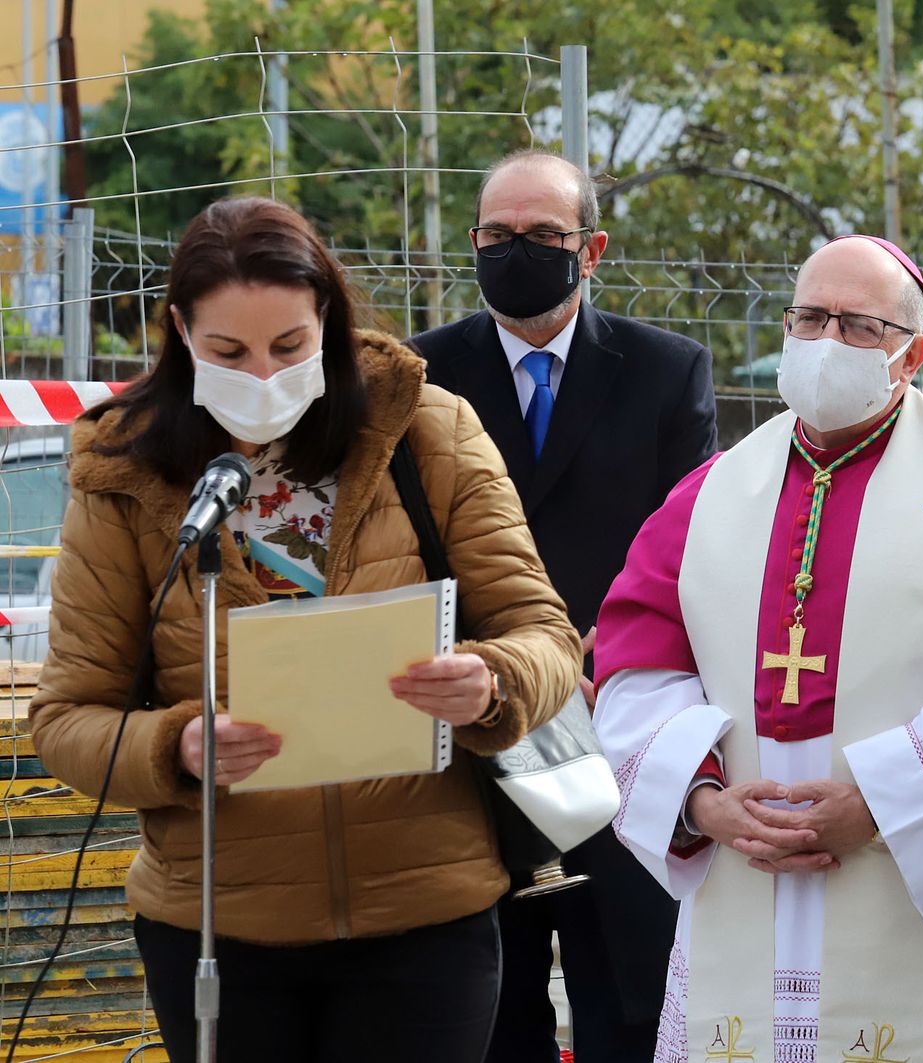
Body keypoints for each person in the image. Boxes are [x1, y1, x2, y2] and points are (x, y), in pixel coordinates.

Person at [29, 196, 584, 1063]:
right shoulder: (124, 475)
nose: (262, 375)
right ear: (179, 332)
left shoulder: (429, 432)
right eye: (227, 351)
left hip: (425, 921)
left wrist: (491, 681)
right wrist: (174, 745)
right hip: (219, 927)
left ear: (326, 314)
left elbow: (546, 634)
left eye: (289, 346)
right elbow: (68, 719)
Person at [592, 234, 923, 1061]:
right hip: (741, 874)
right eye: (809, 317)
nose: (827, 342)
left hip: (918, 888)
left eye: (859, 326)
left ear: (912, 353)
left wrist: (885, 805)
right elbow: (636, 661)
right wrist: (702, 798)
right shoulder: (709, 492)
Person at [408, 149, 717, 1062]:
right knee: (491, 1011)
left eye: (543, 235)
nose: (517, 251)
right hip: (473, 726)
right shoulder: (419, 378)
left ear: (591, 249)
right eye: (497, 235)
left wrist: (605, 650)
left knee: (627, 995)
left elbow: (687, 539)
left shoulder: (666, 372)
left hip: (614, 722)